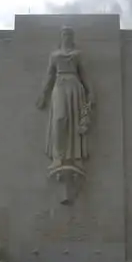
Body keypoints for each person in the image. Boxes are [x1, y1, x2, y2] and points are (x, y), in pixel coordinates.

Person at [36, 26, 92, 170]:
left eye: (69, 34)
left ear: (72, 37)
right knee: (59, 119)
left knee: (74, 121)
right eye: (64, 33)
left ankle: (76, 157)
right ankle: (58, 157)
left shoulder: (78, 55)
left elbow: (84, 73)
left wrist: (91, 91)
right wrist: (43, 93)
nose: (66, 36)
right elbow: (49, 75)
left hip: (75, 86)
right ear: (61, 36)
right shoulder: (54, 55)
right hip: (60, 85)